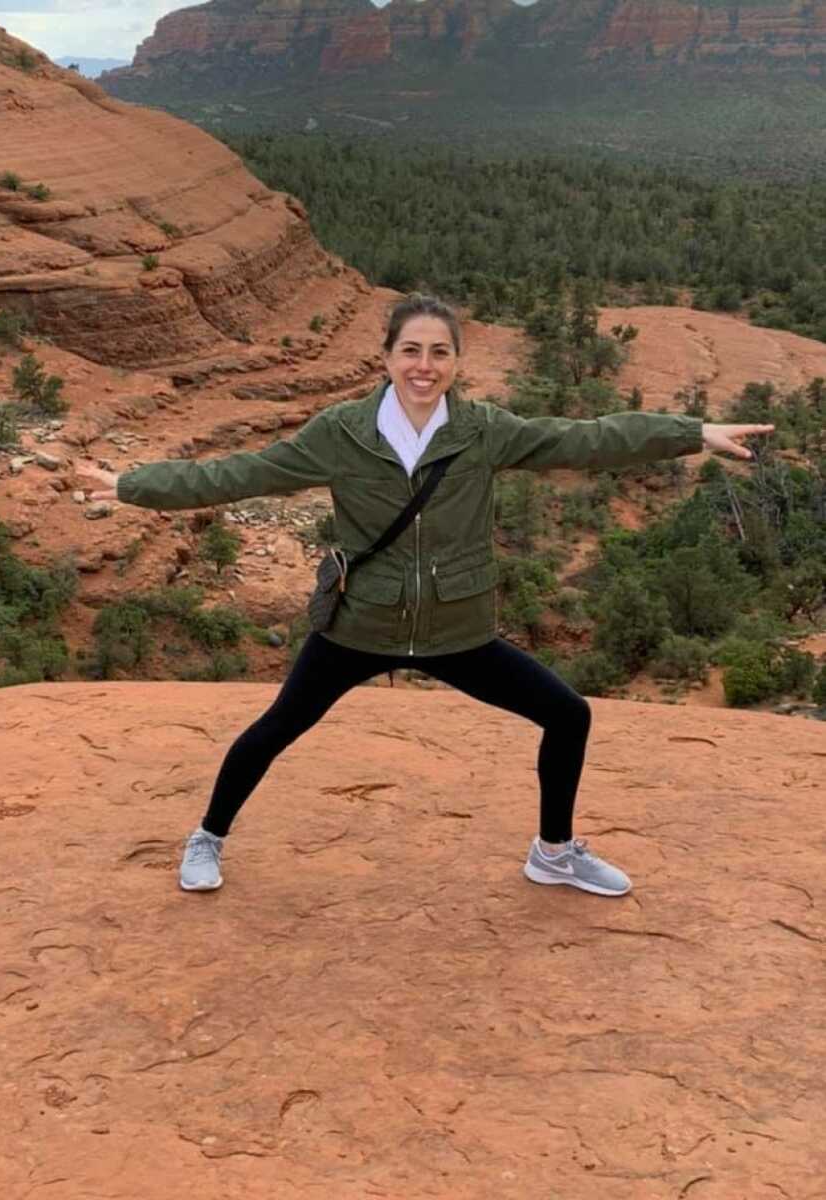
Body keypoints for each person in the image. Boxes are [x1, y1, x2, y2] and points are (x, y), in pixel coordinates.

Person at [80, 293, 774, 899]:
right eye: (410, 350)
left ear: (456, 363)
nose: (424, 365)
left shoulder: (482, 432)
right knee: (275, 729)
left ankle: (554, 855)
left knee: (567, 715)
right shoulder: (340, 433)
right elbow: (239, 474)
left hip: (455, 629)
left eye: (439, 352)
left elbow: (584, 440)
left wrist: (691, 434)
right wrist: (130, 485)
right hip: (361, 623)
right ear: (385, 357)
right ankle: (207, 837)